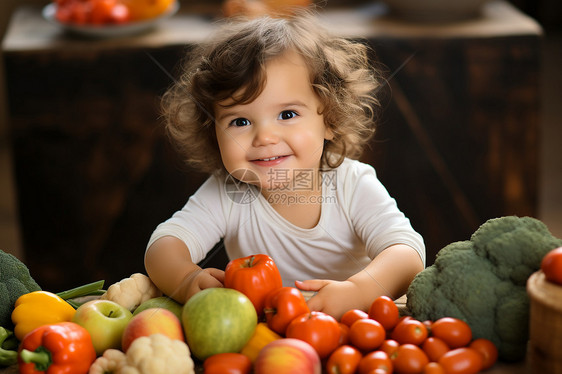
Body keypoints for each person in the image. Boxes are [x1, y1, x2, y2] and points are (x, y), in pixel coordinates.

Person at [144, 10, 425, 320]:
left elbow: (407, 254)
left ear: (329, 118)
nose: (265, 136)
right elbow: (163, 246)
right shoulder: (227, 192)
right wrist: (186, 280)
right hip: (265, 342)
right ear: (213, 134)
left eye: (287, 114)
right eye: (240, 121)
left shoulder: (352, 184)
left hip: (352, 334)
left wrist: (358, 291)